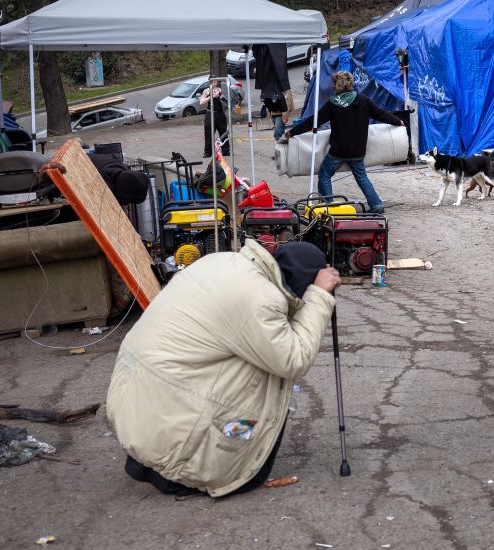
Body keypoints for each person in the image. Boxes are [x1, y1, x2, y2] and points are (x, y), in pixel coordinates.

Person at [106, 240, 340, 497]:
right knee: (270, 376)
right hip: (169, 423)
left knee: (254, 354)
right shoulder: (260, 299)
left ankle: (154, 458)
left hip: (140, 404)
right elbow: (294, 359)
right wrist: (318, 296)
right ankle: (186, 469)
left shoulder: (223, 261)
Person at [281, 71, 402, 213]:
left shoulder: (333, 103)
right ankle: (377, 205)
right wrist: (398, 121)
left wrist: (291, 133)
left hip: (338, 151)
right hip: (358, 150)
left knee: (325, 175)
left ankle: (328, 206)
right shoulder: (363, 100)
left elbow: (312, 122)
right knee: (361, 177)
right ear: (351, 84)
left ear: (337, 85)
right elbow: (381, 114)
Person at [199, 80, 229, 158]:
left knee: (223, 132)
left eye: (216, 82)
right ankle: (207, 152)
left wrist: (221, 96)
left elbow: (227, 99)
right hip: (210, 113)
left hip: (220, 113)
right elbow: (201, 102)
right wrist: (211, 96)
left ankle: (226, 150)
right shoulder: (207, 91)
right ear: (210, 82)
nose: (215, 84)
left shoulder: (221, 89)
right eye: (213, 82)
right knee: (208, 133)